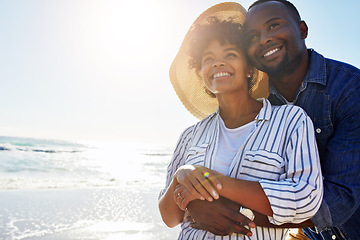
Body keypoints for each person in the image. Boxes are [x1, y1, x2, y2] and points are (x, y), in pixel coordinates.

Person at [186, 1, 360, 239]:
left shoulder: (350, 89)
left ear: (302, 30)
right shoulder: (259, 104)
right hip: (306, 233)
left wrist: (227, 211)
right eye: (252, 36)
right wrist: (193, 201)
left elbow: (339, 201)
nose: (264, 39)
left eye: (273, 26)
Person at [158, 2, 323, 239]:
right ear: (201, 71)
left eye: (230, 54)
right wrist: (181, 176)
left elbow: (305, 198)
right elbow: (169, 218)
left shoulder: (291, 120)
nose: (218, 63)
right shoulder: (189, 136)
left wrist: (212, 182)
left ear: (249, 68)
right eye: (208, 58)